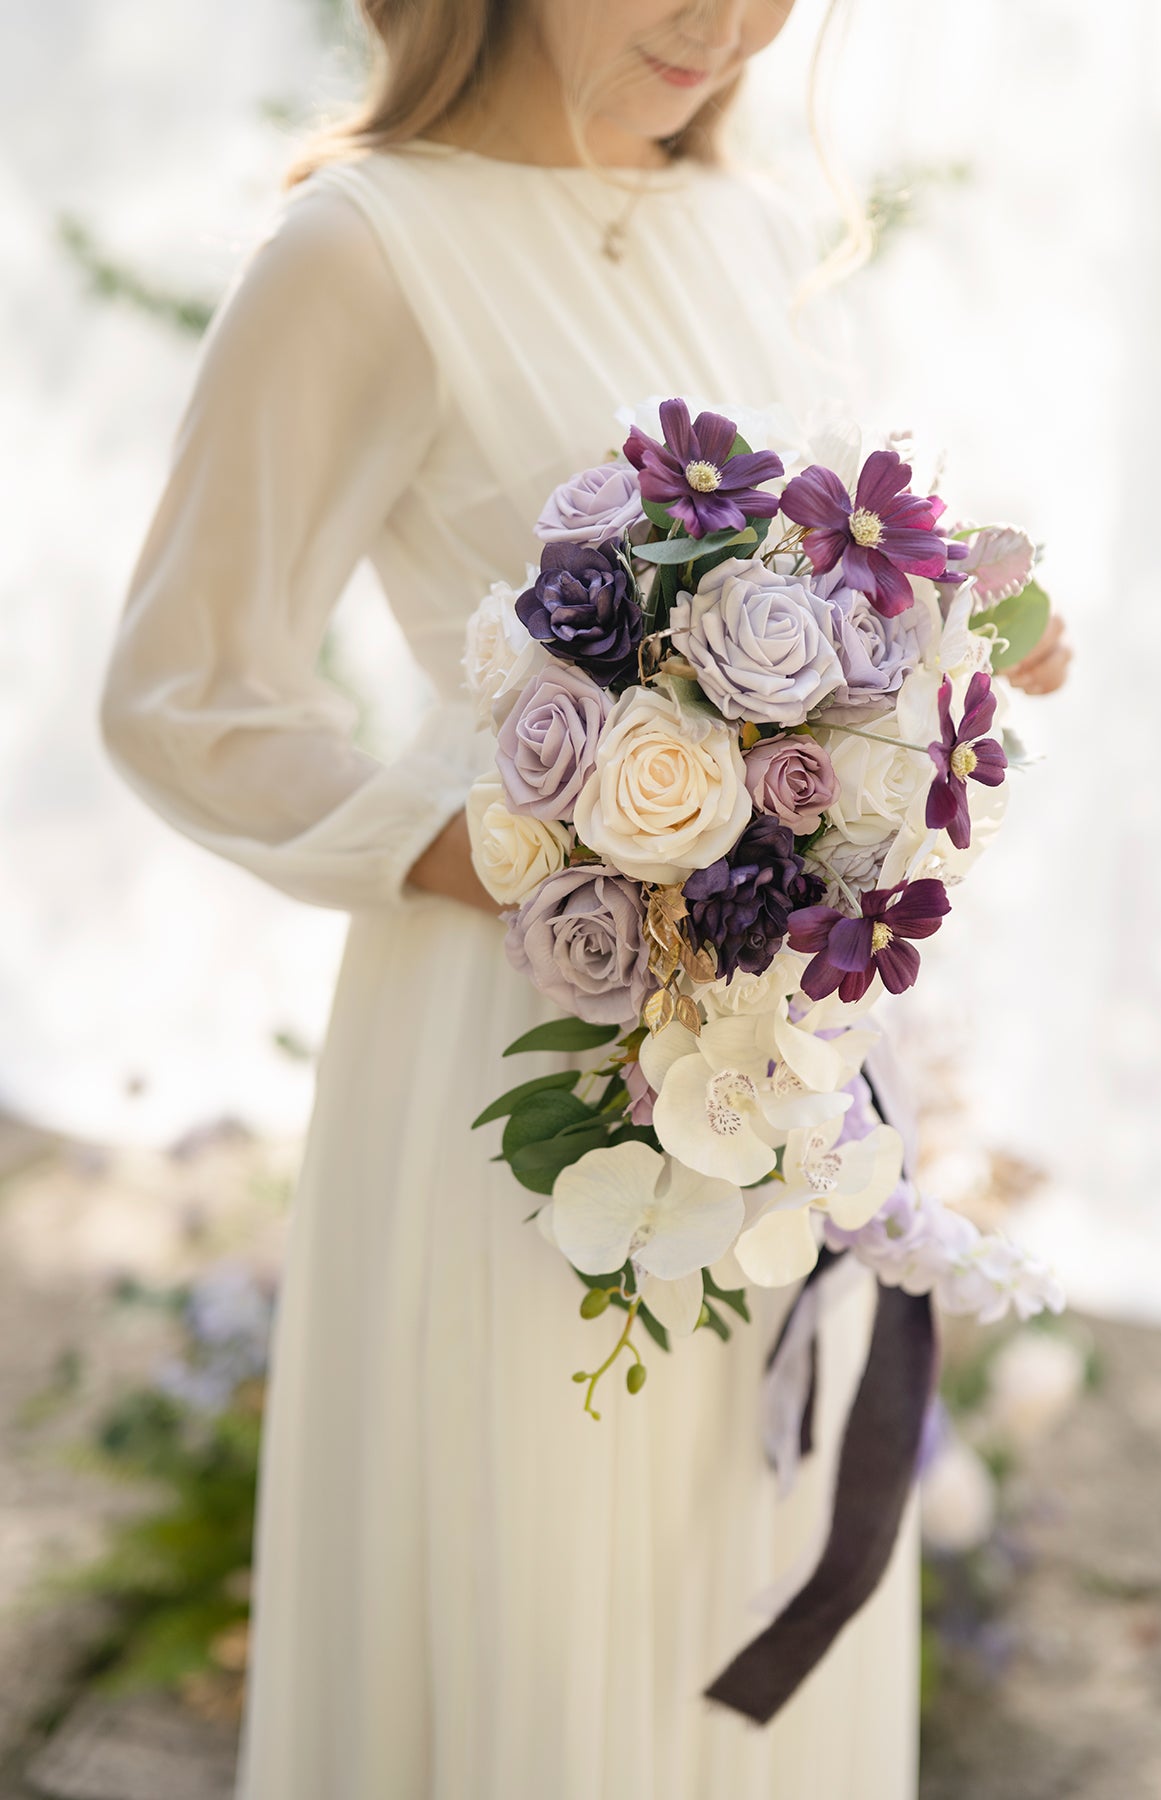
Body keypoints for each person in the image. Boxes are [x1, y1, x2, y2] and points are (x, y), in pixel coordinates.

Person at [98, 3, 1071, 1795]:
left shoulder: (763, 228)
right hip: (519, 1046)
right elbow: (185, 692)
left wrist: (933, 676)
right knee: (538, 1623)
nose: (727, 20)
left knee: (736, 1582)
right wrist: (508, 845)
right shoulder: (363, 251)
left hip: (786, 1072)